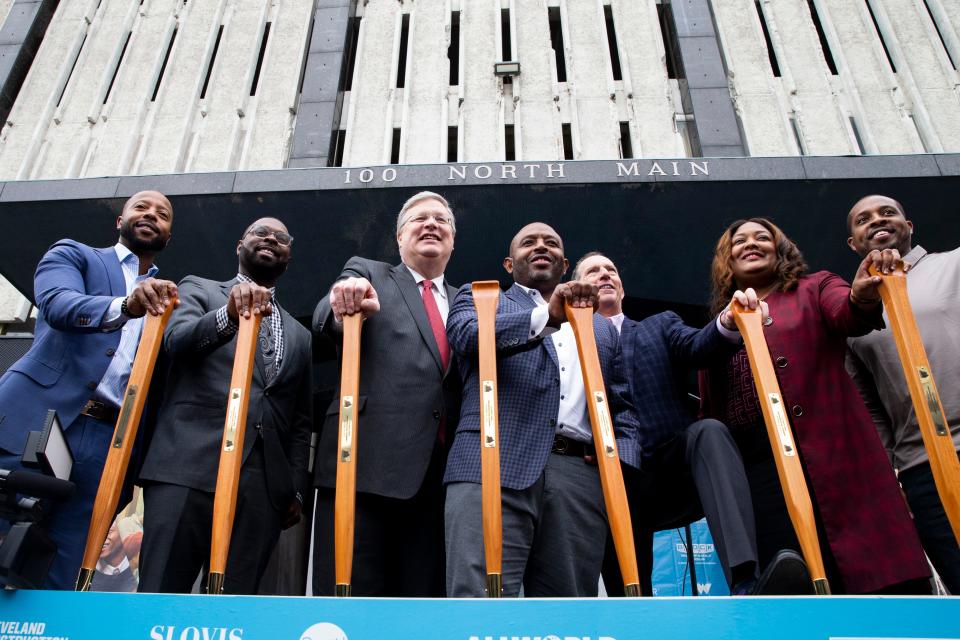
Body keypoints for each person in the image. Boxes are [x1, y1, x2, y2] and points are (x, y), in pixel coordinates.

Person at [699, 217, 931, 594]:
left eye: (763, 237)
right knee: (789, 576)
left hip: (828, 452)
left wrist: (862, 295)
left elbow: (848, 311)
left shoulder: (815, 287)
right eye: (739, 241)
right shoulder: (720, 322)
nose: (751, 244)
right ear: (727, 259)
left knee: (865, 571)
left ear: (781, 249)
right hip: (758, 468)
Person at [444, 222, 639, 597]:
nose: (540, 247)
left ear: (565, 265)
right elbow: (469, 337)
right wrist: (547, 317)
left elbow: (622, 402)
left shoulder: (600, 327)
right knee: (481, 601)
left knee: (568, 611)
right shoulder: (482, 297)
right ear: (508, 263)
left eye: (551, 243)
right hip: (492, 461)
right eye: (528, 243)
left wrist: (618, 464)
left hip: (579, 476)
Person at [0, 191, 177, 589]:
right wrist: (124, 306)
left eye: (162, 215)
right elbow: (58, 304)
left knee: (65, 564)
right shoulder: (75, 255)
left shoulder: (169, 303)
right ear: (120, 221)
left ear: (168, 236)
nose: (151, 215)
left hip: (109, 442)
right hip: (40, 421)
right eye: (141, 208)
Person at [137, 217, 312, 595]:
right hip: (188, 466)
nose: (270, 239)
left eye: (281, 238)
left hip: (262, 487)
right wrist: (228, 317)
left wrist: (294, 489)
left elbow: (299, 421)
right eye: (259, 233)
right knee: (161, 590)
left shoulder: (301, 335)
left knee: (234, 602)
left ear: (289, 257)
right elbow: (177, 343)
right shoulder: (198, 289)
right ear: (239, 245)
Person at [573, 252, 762, 596]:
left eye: (611, 270)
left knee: (710, 431)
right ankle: (631, 616)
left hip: (672, 469)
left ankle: (746, 577)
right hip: (610, 476)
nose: (604, 274)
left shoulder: (658, 325)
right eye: (593, 271)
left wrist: (728, 321)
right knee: (629, 593)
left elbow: (698, 345)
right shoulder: (567, 343)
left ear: (622, 287)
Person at [312, 191, 459, 597]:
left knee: (420, 611)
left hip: (438, 480)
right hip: (363, 466)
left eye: (440, 220)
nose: (431, 224)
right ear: (399, 237)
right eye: (419, 218)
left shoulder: (467, 300)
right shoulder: (369, 273)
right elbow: (327, 316)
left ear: (452, 239)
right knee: (350, 605)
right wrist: (346, 301)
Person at [844, 194, 960, 593]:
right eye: (864, 219)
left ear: (909, 227)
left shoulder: (953, 265)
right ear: (854, 242)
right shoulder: (855, 314)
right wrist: (890, 472)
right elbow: (870, 408)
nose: (877, 220)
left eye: (888, 212)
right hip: (920, 467)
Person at [93, 523, 137, 593]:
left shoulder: (136, 563)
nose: (100, 538)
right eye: (96, 533)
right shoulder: (89, 569)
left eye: (109, 531)